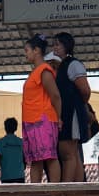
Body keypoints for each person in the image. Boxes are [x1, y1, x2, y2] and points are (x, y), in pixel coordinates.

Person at [49, 32, 94, 182]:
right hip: (66, 113)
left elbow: (85, 90)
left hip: (71, 113)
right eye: (54, 44)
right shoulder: (61, 66)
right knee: (73, 153)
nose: (54, 47)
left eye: (57, 44)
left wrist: (80, 106)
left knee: (67, 153)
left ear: (66, 46)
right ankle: (78, 187)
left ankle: (66, 188)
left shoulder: (73, 64)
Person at [21, 35, 62, 183]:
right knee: (35, 159)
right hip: (31, 121)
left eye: (27, 50)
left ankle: (55, 190)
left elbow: (55, 95)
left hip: (43, 119)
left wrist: (59, 117)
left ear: (36, 50)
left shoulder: (44, 70)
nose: (25, 54)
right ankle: (35, 192)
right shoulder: (35, 72)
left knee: (50, 157)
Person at [0, 117, 25, 184]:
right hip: (20, 176)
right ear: (16, 128)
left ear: (5, 128)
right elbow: (24, 158)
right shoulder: (21, 142)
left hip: (6, 176)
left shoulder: (0, 142)